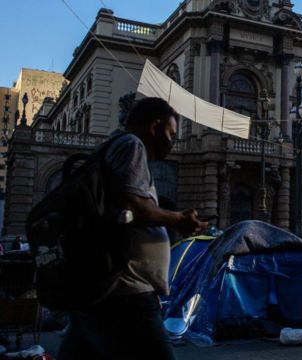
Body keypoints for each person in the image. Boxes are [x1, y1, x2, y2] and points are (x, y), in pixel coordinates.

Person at [58, 97, 208, 360]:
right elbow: (134, 205)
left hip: (102, 286)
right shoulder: (132, 145)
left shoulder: (112, 147)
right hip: (126, 289)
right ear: (155, 126)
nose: (172, 141)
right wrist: (178, 219)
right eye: (171, 133)